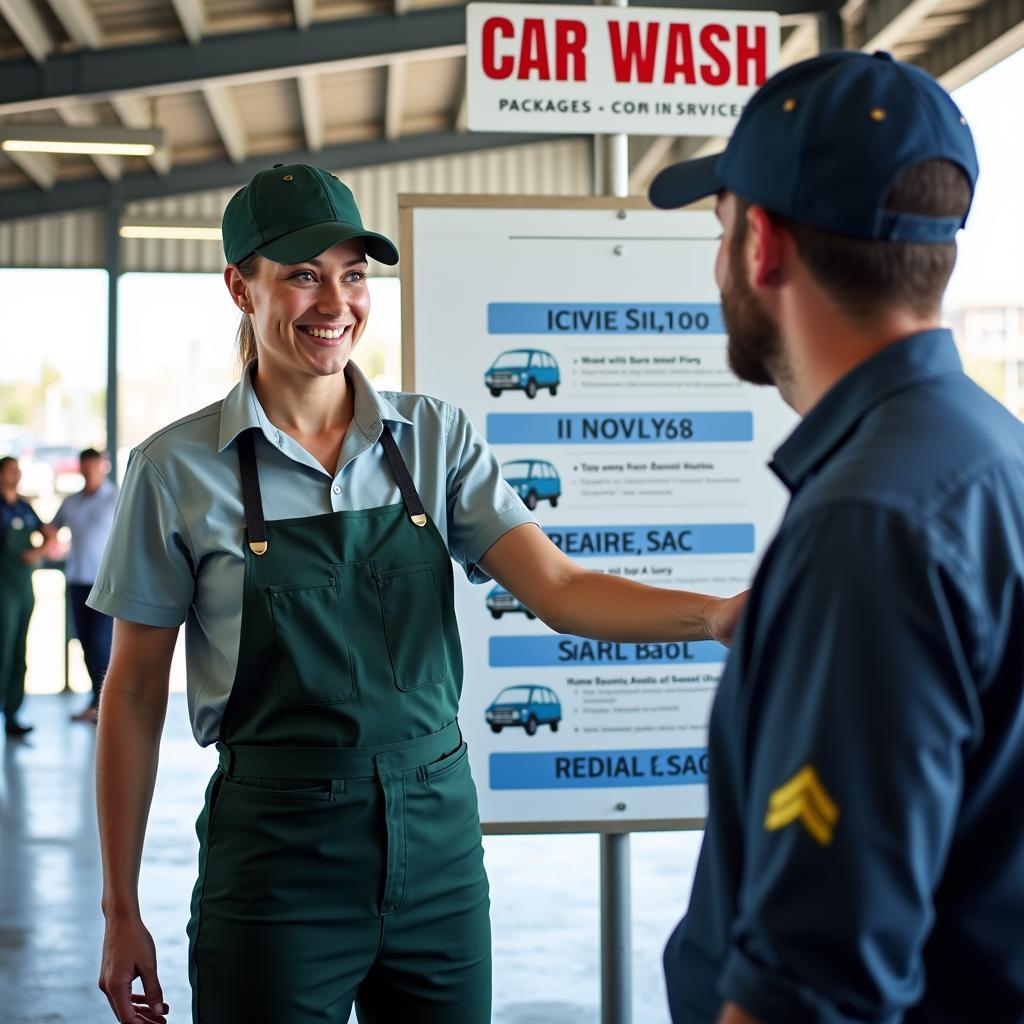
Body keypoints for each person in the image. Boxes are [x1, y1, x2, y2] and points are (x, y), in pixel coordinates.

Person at [89, 163, 747, 1024]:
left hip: (436, 843)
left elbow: (558, 588)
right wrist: (120, 910)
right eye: (301, 275)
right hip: (277, 855)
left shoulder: (434, 439)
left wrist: (717, 615)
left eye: (353, 274)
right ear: (238, 287)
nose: (336, 302)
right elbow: (134, 690)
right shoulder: (175, 471)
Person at [649, 50, 1024, 1023]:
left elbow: (812, 987)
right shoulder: (991, 457)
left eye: (722, 224)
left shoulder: (868, 526)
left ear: (761, 245)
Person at [40, 448, 118, 723]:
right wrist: (48, 541)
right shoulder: (72, 502)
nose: (88, 471)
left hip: (105, 584)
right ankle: (96, 702)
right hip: (76, 582)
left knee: (101, 644)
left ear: (102, 467)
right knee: (85, 643)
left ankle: (107, 703)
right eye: (84, 467)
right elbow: (50, 528)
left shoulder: (115, 499)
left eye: (93, 466)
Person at [0, 455, 49, 738]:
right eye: (10, 470)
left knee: (20, 652)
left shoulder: (24, 507)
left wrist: (37, 552)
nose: (15, 475)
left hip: (23, 589)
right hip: (3, 589)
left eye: (18, 471)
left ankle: (13, 714)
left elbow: (48, 535)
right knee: (2, 652)